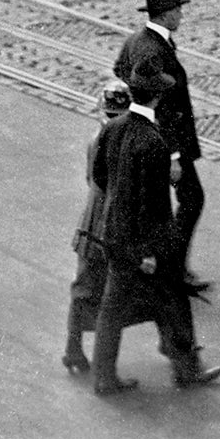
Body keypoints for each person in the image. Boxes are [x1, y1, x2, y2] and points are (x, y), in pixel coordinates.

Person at [87, 73, 220, 396]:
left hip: (113, 232)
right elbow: (156, 205)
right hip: (146, 240)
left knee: (112, 306)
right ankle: (186, 367)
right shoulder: (154, 139)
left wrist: (117, 214)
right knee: (173, 297)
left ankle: (103, 376)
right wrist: (148, 251)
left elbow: (100, 177)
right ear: (158, 97)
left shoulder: (113, 129)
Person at [113, 0, 206, 289]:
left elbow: (119, 69)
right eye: (178, 10)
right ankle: (172, 267)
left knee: (158, 202)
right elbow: (166, 107)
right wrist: (176, 154)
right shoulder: (156, 49)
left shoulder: (136, 40)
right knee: (191, 200)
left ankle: (163, 263)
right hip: (166, 141)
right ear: (166, 14)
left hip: (146, 132)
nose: (181, 15)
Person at [64, 78, 133, 374]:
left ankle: (74, 348)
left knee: (85, 288)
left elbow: (90, 180)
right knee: (100, 291)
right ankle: (79, 352)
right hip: (105, 222)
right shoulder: (116, 141)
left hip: (91, 222)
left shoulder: (96, 138)